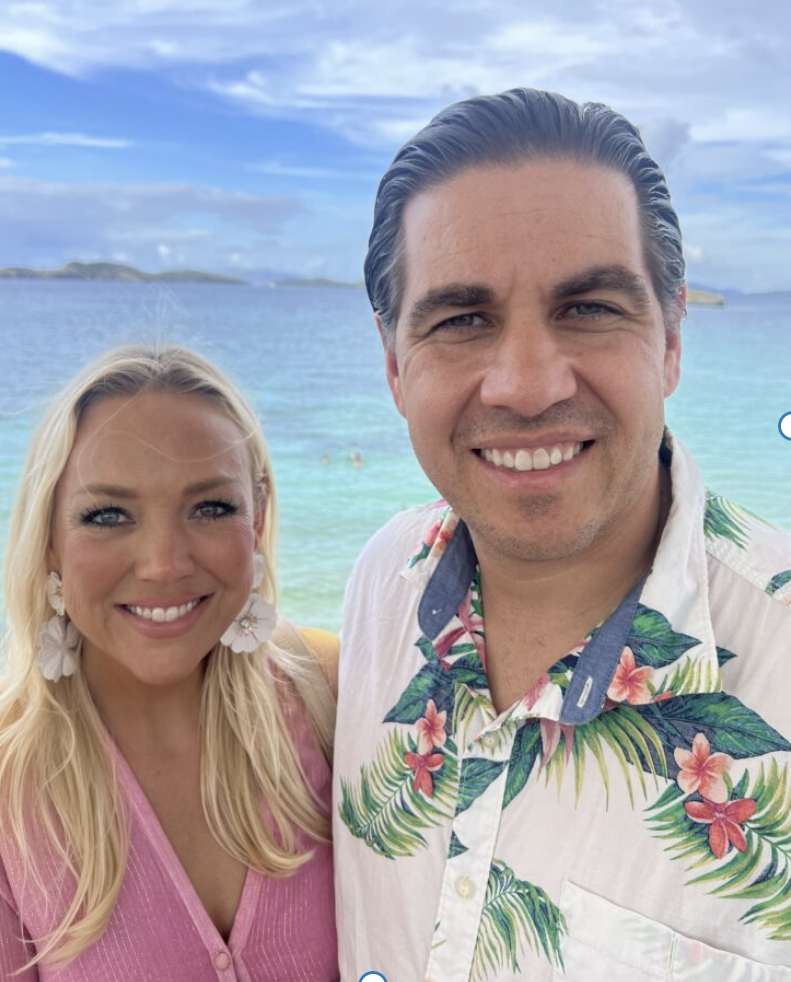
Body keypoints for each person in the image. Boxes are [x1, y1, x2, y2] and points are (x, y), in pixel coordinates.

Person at [333, 88, 791, 981]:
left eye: (588, 308)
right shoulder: (383, 580)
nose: (526, 384)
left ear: (670, 338)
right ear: (393, 361)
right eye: (462, 319)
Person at [0, 345, 339, 981]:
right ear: (48, 540)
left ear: (258, 517)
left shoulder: (328, 694)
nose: (163, 563)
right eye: (108, 515)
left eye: (211, 507)